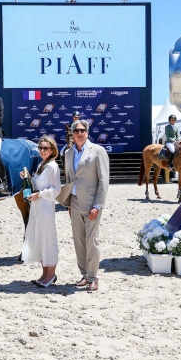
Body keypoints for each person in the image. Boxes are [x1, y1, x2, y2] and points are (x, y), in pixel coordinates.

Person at [64, 119, 109, 292]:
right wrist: (68, 203)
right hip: (74, 202)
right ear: (72, 134)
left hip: (92, 203)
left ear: (87, 132)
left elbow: (104, 181)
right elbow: (69, 179)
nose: (80, 133)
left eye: (83, 130)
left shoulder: (98, 151)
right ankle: (84, 275)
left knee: (92, 241)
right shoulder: (68, 153)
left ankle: (93, 277)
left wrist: (97, 205)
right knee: (79, 241)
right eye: (76, 131)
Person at [20, 136, 62, 287]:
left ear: (52, 150)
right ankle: (44, 274)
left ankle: (51, 274)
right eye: (40, 148)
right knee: (39, 240)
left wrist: (39, 194)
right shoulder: (41, 165)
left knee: (48, 240)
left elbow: (56, 189)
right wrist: (29, 179)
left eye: (45, 148)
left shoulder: (53, 166)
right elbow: (37, 185)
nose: (42, 151)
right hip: (37, 207)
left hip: (45, 208)